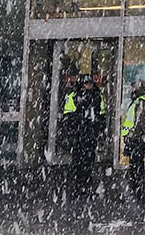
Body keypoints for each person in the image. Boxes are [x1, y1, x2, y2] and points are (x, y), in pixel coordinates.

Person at [61, 74, 107, 210]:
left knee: (88, 164)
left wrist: (97, 129)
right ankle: (75, 191)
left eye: (91, 83)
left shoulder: (97, 97)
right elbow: (67, 118)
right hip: (79, 137)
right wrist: (74, 132)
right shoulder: (74, 97)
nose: (89, 86)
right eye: (86, 83)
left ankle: (85, 190)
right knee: (76, 164)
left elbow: (102, 116)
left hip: (90, 137)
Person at [121, 79, 145, 213]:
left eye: (135, 87)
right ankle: (136, 194)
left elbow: (139, 124)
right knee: (136, 167)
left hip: (138, 140)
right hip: (139, 140)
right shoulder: (140, 101)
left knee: (136, 168)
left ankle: (137, 195)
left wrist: (130, 140)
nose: (133, 89)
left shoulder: (141, 102)